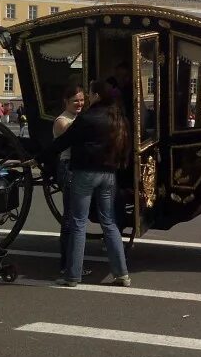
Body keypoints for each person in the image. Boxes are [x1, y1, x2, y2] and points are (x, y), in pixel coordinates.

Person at [34, 80, 131, 288]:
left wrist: (39, 157)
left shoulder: (87, 118)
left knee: (78, 223)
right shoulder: (118, 118)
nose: (87, 97)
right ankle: (122, 274)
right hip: (109, 174)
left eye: (90, 94)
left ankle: (72, 275)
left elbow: (63, 142)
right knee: (110, 222)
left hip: (85, 172)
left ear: (96, 96)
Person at [53, 85, 85, 275]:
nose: (80, 103)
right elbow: (77, 139)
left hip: (78, 169)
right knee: (70, 219)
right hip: (68, 168)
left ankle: (73, 263)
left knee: (75, 218)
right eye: (76, 101)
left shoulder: (76, 118)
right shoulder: (62, 121)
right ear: (66, 102)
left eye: (81, 100)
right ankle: (67, 264)